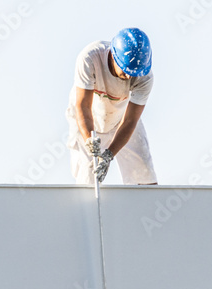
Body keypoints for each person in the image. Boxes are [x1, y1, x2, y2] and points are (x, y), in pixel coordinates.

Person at [65, 27, 157, 185]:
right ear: (113, 56)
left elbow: (130, 121)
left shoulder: (144, 77)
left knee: (144, 177)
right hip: (86, 119)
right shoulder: (90, 58)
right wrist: (90, 141)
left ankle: (144, 198)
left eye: (134, 72)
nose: (129, 76)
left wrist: (109, 155)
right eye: (126, 70)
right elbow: (83, 106)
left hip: (121, 118)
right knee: (88, 182)